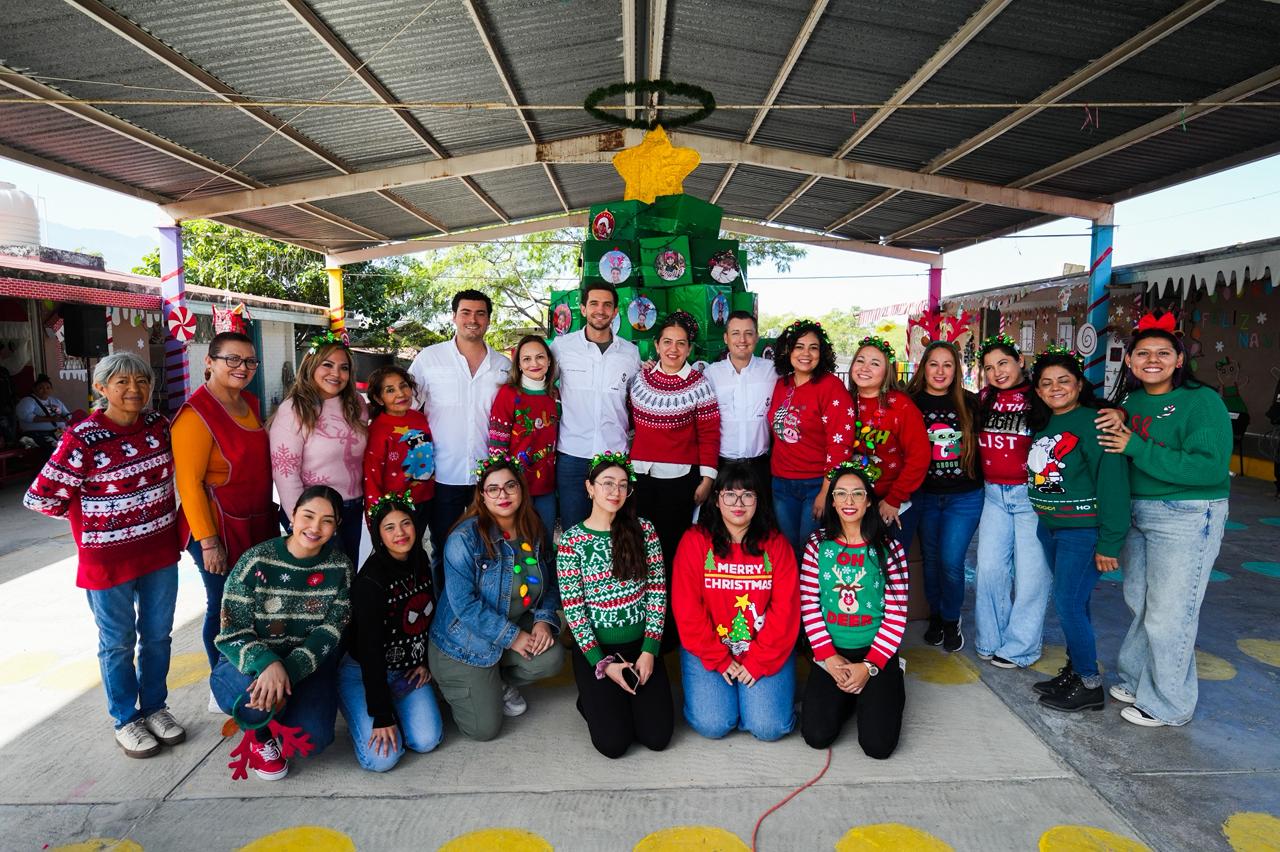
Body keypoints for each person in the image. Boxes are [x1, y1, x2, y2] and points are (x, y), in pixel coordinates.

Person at [24, 352, 185, 758]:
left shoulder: (159, 426)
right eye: (122, 382)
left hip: (159, 552)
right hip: (107, 560)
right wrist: (93, 522)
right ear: (101, 388)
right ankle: (126, 719)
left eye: (142, 382)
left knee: (157, 637)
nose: (134, 390)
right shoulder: (83, 437)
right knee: (117, 643)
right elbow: (40, 496)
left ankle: (155, 708)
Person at [1096, 311, 1231, 727]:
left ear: (1178, 360)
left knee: (1172, 612)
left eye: (1162, 353)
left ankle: (1170, 704)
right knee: (1141, 602)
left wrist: (1136, 447)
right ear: (1131, 361)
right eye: (1142, 353)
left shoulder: (1201, 401)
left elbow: (1208, 468)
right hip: (1140, 511)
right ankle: (1138, 677)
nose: (1151, 360)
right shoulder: (1131, 401)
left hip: (1186, 514)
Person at [212, 485, 352, 781]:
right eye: (308, 516)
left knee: (312, 741)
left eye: (327, 520)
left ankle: (274, 709)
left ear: (337, 526)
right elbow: (231, 632)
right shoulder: (256, 561)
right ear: (292, 514)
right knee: (243, 698)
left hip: (305, 667)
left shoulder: (339, 567)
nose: (315, 527)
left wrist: (284, 672)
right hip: (250, 664)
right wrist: (267, 664)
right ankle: (259, 733)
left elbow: (330, 633)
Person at [428, 453, 563, 741]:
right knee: (484, 730)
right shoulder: (464, 539)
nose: (503, 495)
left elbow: (550, 584)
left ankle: (493, 680)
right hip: (463, 642)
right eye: (493, 489)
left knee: (550, 657)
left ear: (521, 490)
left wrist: (543, 620)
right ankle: (452, 683)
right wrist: (514, 637)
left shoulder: (534, 529)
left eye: (510, 486)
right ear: (482, 496)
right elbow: (464, 606)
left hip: (508, 628)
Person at [173, 332, 276, 704]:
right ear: (209, 362)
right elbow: (189, 484)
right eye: (232, 359)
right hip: (218, 528)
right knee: (223, 608)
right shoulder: (195, 414)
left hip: (255, 519)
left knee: (253, 606)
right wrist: (208, 541)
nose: (242, 368)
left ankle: (250, 672)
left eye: (249, 361)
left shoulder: (248, 402)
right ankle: (224, 686)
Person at [1025, 347, 1129, 712]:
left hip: (1081, 533)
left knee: (1067, 602)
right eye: (1046, 383)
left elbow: (1112, 483)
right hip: (1051, 529)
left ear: (1079, 384)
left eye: (1064, 381)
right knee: (1076, 603)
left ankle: (1089, 683)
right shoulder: (1046, 423)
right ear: (1037, 390)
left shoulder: (1095, 421)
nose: (1055, 388)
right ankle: (1074, 669)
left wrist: (1111, 542)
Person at [556, 452, 674, 758]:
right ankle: (592, 698)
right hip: (597, 653)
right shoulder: (572, 541)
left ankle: (621, 701)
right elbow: (575, 611)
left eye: (623, 485)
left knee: (657, 738)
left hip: (640, 648)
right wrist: (603, 664)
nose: (615, 492)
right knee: (613, 745)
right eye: (607, 483)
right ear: (589, 487)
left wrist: (650, 651)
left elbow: (658, 592)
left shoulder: (643, 530)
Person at [672, 461, 798, 742]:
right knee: (713, 724)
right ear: (716, 500)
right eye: (730, 494)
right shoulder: (695, 542)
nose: (738, 503)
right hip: (710, 648)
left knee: (768, 728)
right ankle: (735, 699)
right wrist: (717, 658)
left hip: (762, 647)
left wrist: (758, 662)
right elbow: (687, 608)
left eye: (747, 495)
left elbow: (785, 610)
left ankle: (750, 700)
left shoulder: (776, 545)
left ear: (758, 500)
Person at [799, 462, 909, 758]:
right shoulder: (816, 546)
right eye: (841, 494)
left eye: (857, 494)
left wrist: (869, 666)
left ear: (869, 500)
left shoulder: (889, 549)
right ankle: (849, 696)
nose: (849, 502)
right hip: (831, 651)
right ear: (831, 500)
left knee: (877, 747)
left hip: (875, 652)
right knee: (816, 736)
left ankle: (888, 683)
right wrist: (828, 657)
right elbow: (809, 603)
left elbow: (897, 615)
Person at [338, 493, 442, 772]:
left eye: (406, 523)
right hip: (364, 672)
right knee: (382, 759)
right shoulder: (369, 582)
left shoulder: (419, 559)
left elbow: (427, 620)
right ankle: (363, 711)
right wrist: (382, 715)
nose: (400, 533)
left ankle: (395, 708)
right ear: (378, 535)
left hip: (406, 670)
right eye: (390, 527)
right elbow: (370, 652)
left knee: (426, 740)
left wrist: (425, 661)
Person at [409, 290, 511, 565]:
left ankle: (483, 603)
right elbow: (406, 409)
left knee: (490, 547)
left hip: (488, 476)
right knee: (444, 550)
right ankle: (447, 607)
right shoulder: (429, 359)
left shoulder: (504, 366)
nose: (473, 319)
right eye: (465, 313)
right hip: (442, 474)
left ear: (489, 320)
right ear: (454, 317)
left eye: (480, 313)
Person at [629, 311, 720, 615]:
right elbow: (630, 424)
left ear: (690, 349)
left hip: (680, 480)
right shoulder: (640, 380)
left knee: (670, 552)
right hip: (640, 477)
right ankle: (642, 617)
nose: (673, 349)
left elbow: (709, 435)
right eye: (667, 342)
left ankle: (670, 622)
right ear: (656, 345)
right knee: (641, 548)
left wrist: (707, 479)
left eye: (681, 344)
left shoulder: (700, 385)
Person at [972, 335, 1051, 670]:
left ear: (1019, 360)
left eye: (1003, 363)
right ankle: (990, 639)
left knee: (1032, 577)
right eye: (989, 367)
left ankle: (1020, 647)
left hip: (1030, 496)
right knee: (989, 571)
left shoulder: (1040, 396)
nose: (996, 372)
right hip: (994, 494)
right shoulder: (985, 398)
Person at [907, 340, 983, 653]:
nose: (940, 371)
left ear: (957, 370)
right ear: (923, 367)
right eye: (934, 364)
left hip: (963, 497)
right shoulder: (909, 402)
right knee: (932, 563)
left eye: (947, 365)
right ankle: (936, 615)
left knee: (951, 562)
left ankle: (952, 619)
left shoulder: (972, 402)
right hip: (924, 496)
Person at [270, 332, 368, 565]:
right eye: (328, 365)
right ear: (311, 366)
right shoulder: (294, 409)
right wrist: (301, 521)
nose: (336, 373)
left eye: (343, 367)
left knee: (347, 574)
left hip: (353, 508)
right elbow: (285, 471)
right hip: (314, 512)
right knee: (323, 580)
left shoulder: (357, 404)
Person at [551, 283, 641, 530]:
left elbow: (637, 401)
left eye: (607, 305)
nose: (600, 310)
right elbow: (541, 384)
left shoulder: (630, 353)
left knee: (617, 529)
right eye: (594, 304)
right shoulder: (561, 347)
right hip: (572, 455)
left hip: (615, 455)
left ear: (614, 312)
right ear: (582, 308)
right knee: (573, 529)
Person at [767, 319, 854, 559]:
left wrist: (826, 492)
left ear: (822, 352)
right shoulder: (780, 385)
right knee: (786, 550)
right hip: (781, 483)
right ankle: (792, 598)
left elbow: (841, 444)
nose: (806, 353)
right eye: (799, 346)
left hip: (815, 484)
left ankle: (811, 598)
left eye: (813, 347)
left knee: (810, 552)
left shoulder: (831, 387)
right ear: (788, 350)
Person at [845, 335, 928, 551]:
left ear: (886, 371)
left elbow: (919, 457)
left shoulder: (901, 406)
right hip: (852, 501)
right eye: (860, 360)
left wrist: (894, 499)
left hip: (894, 500)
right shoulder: (842, 402)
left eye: (875, 363)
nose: (865, 368)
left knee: (889, 568)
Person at [489, 334, 559, 537]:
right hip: (514, 486)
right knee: (517, 542)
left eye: (540, 357)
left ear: (548, 361)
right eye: (526, 359)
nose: (534, 363)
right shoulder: (509, 394)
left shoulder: (554, 395)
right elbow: (497, 444)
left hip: (546, 485)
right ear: (518, 364)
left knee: (544, 540)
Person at [703, 311, 777, 502]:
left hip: (760, 465)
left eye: (748, 333)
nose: (742, 339)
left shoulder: (773, 371)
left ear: (757, 337)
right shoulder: (711, 375)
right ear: (726, 338)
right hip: (723, 466)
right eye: (735, 333)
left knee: (762, 522)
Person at [363, 365, 434, 532]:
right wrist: (376, 516)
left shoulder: (420, 418)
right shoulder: (377, 430)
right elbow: (371, 478)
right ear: (379, 399)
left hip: (427, 498)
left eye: (403, 386)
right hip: (396, 507)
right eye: (390, 390)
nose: (400, 393)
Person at [16, 373, 71, 449]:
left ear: (51, 389)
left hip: (58, 432)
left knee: (73, 444)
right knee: (55, 447)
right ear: (34, 389)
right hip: (37, 434)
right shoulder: (28, 401)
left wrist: (67, 417)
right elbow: (26, 416)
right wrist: (50, 419)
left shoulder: (55, 401)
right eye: (41, 388)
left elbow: (67, 413)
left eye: (48, 388)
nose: (45, 390)